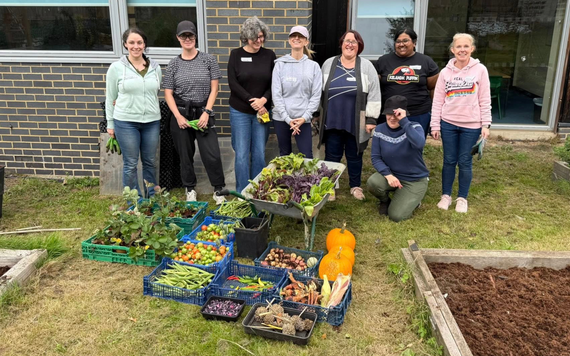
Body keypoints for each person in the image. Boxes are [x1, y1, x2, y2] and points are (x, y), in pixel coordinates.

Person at [163, 20, 226, 204]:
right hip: (181, 113)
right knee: (185, 155)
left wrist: (207, 112)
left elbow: (215, 88)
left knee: (212, 153)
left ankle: (218, 189)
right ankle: (189, 188)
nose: (187, 39)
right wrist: (178, 116)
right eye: (183, 36)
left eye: (190, 35)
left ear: (195, 37)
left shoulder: (208, 59)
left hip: (203, 112)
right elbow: (168, 93)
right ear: (178, 38)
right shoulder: (173, 63)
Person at [431, 33, 491, 213]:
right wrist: (435, 124)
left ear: (472, 49)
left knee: (465, 162)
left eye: (466, 46)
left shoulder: (480, 70)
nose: (462, 50)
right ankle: (446, 195)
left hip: (471, 125)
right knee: (449, 160)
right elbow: (438, 100)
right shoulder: (445, 72)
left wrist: (485, 124)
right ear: (452, 49)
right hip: (448, 123)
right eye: (459, 47)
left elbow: (485, 99)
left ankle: (462, 198)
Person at [318, 30, 381, 201]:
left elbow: (375, 94)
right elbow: (319, 91)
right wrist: (317, 115)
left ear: (359, 46)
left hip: (356, 121)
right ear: (341, 43)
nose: (350, 45)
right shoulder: (329, 64)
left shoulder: (367, 66)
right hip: (332, 119)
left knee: (355, 155)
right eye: (347, 41)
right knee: (332, 155)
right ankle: (330, 187)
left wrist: (371, 119)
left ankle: (355, 186)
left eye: (354, 42)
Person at [105, 27, 161, 198]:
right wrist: (110, 123)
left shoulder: (155, 67)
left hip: (151, 122)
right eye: (131, 42)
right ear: (125, 44)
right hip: (126, 122)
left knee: (150, 162)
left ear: (144, 45)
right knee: (130, 164)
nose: (136, 46)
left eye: (139, 42)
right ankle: (134, 202)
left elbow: (154, 93)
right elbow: (110, 97)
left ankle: (152, 198)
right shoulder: (116, 68)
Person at [227, 16, 276, 193]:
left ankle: (258, 191)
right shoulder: (236, 55)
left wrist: (264, 99)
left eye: (262, 36)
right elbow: (233, 83)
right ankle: (242, 192)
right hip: (240, 111)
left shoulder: (269, 55)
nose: (259, 40)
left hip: (262, 110)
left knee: (259, 154)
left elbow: (274, 83)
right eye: (255, 37)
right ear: (246, 37)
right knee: (241, 154)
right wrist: (251, 100)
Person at [366, 95, 429, 222]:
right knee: (373, 183)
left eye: (397, 114)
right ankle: (385, 201)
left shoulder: (415, 127)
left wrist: (404, 122)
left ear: (403, 114)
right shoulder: (380, 129)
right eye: (389, 114)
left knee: (396, 216)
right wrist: (388, 175)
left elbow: (419, 144)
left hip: (414, 179)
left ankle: (413, 200)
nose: (393, 118)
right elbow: (376, 157)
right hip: (393, 175)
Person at [374, 29, 439, 137]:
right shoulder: (383, 61)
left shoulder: (426, 61)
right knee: (389, 144)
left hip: (418, 113)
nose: (401, 44)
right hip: (390, 114)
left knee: (414, 145)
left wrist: (435, 114)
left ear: (414, 43)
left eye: (405, 41)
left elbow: (433, 88)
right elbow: (375, 87)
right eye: (398, 41)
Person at [271, 25, 322, 158]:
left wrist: (305, 117)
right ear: (289, 40)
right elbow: (276, 94)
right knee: (284, 156)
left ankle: (306, 180)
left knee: (306, 156)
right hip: (282, 118)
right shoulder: (280, 65)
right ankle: (287, 180)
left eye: (301, 36)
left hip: (303, 119)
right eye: (293, 36)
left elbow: (316, 95)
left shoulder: (314, 67)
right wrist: (287, 119)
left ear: (306, 41)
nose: (297, 38)